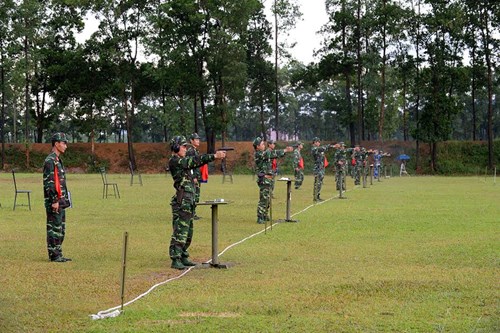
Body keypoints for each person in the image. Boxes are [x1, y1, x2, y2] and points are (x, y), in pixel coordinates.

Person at [168, 135, 226, 270]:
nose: (185, 149)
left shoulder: (182, 160)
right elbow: (195, 161)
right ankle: (175, 258)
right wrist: (214, 156)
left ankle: (183, 255)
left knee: (188, 231)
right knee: (180, 230)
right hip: (182, 200)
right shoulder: (175, 161)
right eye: (183, 146)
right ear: (176, 147)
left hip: (189, 200)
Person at [43, 132, 72, 263]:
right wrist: (54, 200)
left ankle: (58, 253)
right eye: (63, 143)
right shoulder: (50, 161)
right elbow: (50, 183)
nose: (66, 145)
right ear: (56, 144)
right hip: (55, 201)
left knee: (60, 228)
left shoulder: (57, 160)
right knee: (54, 228)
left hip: (61, 201)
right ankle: (54, 255)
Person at [254, 137, 293, 224]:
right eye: (262, 144)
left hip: (269, 179)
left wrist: (285, 151)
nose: (264, 146)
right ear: (257, 147)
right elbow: (271, 153)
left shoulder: (264, 153)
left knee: (267, 198)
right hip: (264, 179)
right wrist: (285, 150)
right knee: (263, 199)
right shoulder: (259, 154)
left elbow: (273, 154)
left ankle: (264, 214)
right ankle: (260, 217)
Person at [311, 137, 333, 202]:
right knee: (317, 182)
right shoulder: (314, 149)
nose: (319, 143)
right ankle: (315, 197)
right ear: (314, 142)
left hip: (321, 167)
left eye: (319, 142)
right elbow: (322, 148)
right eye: (318, 142)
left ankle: (318, 196)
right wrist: (329, 145)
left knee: (320, 183)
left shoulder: (319, 149)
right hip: (317, 168)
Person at [186, 133, 202, 220]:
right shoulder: (191, 151)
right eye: (196, 139)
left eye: (198, 139)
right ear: (191, 141)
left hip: (197, 176)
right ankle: (190, 213)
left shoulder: (195, 151)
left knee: (196, 195)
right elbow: (190, 165)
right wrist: (193, 177)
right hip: (193, 177)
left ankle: (193, 213)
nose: (198, 141)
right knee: (193, 195)